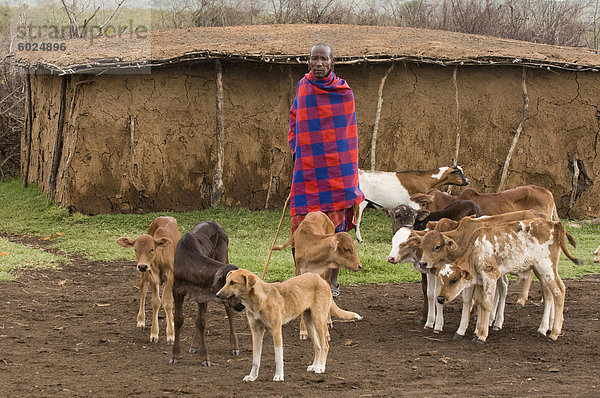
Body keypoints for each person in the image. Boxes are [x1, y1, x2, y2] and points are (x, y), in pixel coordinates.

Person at [287, 42, 365, 297]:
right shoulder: (303, 87)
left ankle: (332, 282)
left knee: (336, 231)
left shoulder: (344, 93)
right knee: (302, 229)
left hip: (336, 172)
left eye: (324, 59)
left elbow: (347, 137)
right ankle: (304, 279)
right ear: (308, 62)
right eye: (314, 59)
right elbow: (295, 120)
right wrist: (296, 150)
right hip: (308, 170)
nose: (319, 63)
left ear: (332, 63)